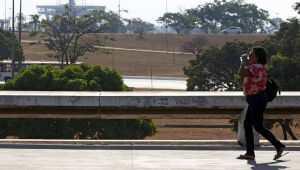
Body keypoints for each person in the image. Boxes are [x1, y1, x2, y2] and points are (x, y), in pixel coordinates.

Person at [237, 46, 285, 160]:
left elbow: (242, 73)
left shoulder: (256, 67)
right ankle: (250, 153)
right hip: (256, 99)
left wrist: (243, 62)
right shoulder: (259, 67)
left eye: (251, 54)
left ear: (257, 57)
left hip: (257, 99)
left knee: (257, 126)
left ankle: (278, 145)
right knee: (249, 124)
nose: (249, 56)